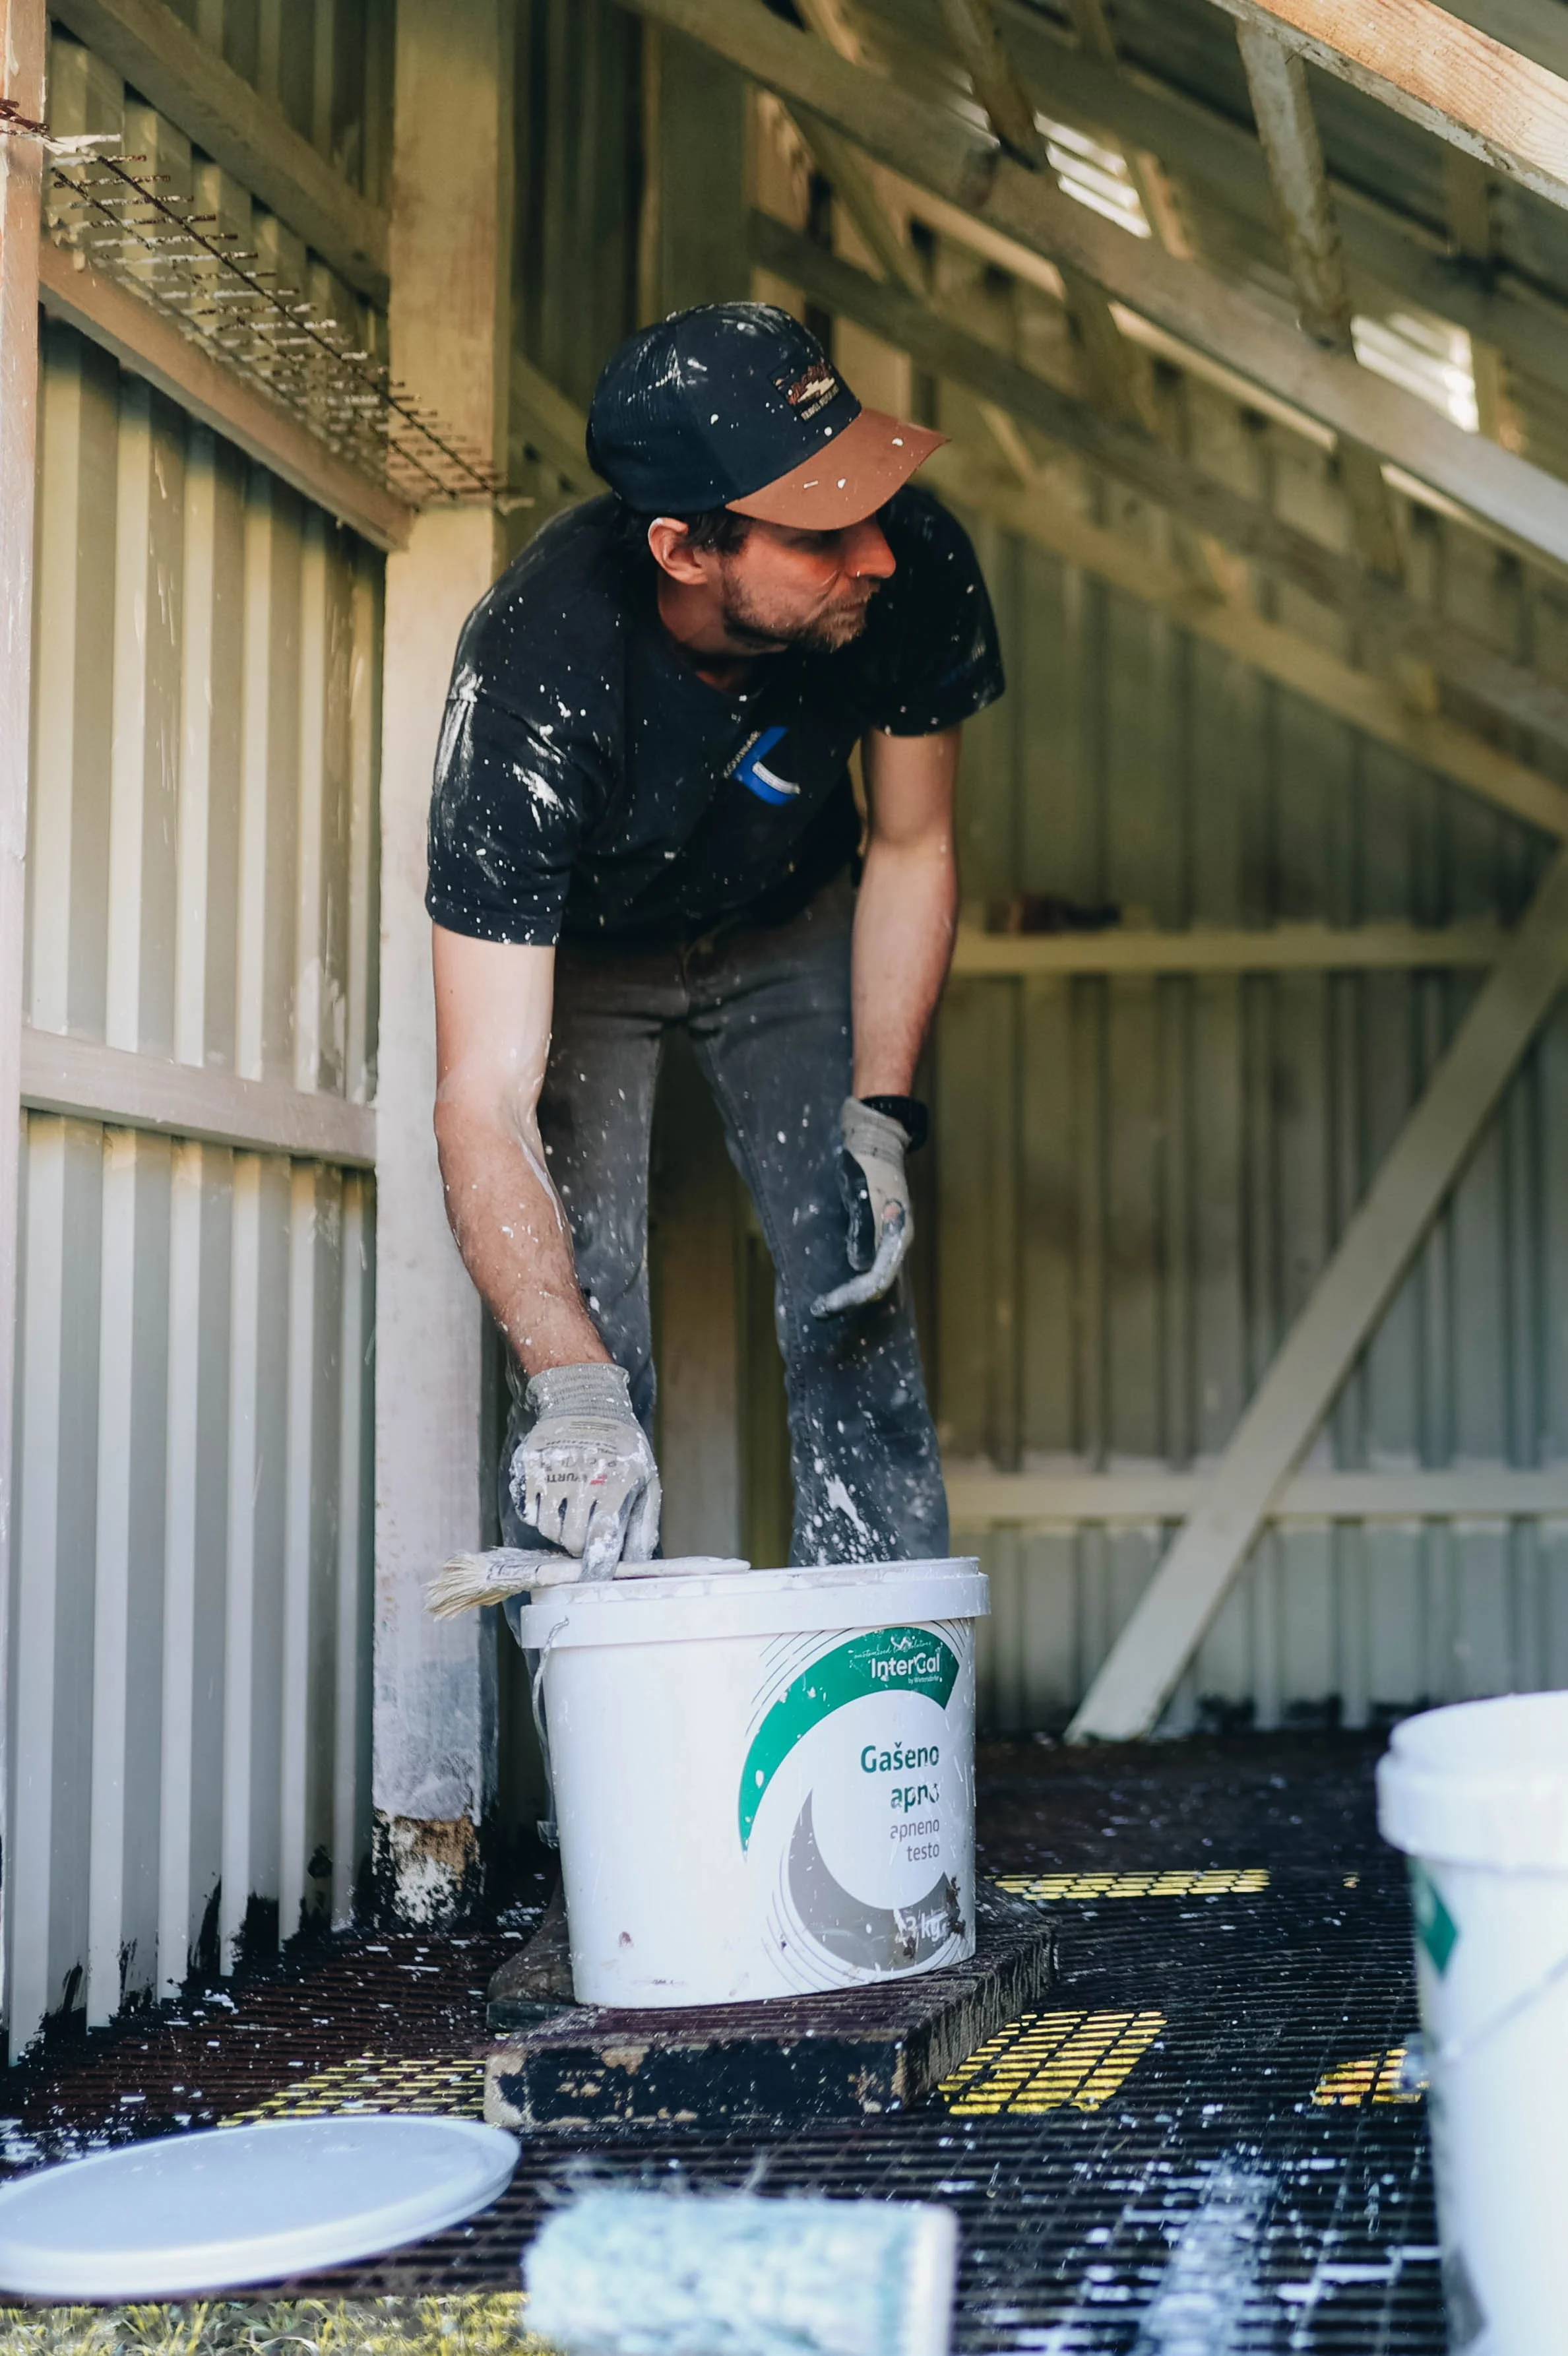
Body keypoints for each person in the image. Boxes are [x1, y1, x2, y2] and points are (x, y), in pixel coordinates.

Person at [427, 302, 1004, 2005]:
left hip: (792, 931)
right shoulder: (534, 670)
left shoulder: (908, 564)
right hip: (586, 968)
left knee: (855, 1304)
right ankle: (630, 1848)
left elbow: (915, 845)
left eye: (869, 505)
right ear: (685, 548)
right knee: (583, 1375)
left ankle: (896, 1809)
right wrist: (567, 1378)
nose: (876, 551)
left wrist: (882, 1110)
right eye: (821, 531)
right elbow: (481, 1090)